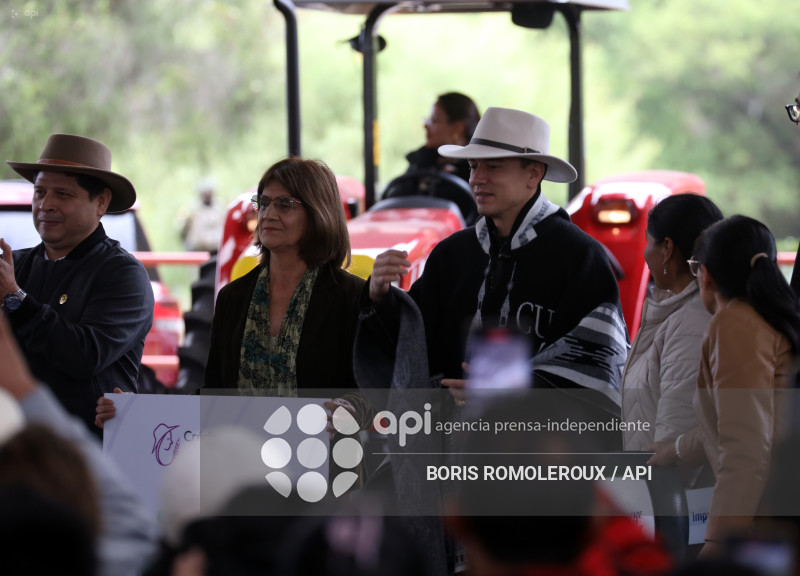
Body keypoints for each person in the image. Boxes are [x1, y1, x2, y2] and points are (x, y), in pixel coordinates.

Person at [366, 107, 628, 424]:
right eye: (473, 166)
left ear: (534, 173)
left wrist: (511, 391)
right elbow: (409, 341)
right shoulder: (451, 254)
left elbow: (598, 371)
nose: (477, 178)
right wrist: (379, 296)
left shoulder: (582, 259)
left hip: (538, 455)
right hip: (451, 453)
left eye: (493, 166)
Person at [650, 215, 800, 558]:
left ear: (706, 275)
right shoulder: (774, 318)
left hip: (770, 517)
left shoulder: (735, 323)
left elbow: (745, 447)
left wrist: (719, 541)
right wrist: (675, 450)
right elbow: (737, 420)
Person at [1, 133, 154, 434]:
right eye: (40, 192)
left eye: (63, 194)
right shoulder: (14, 266)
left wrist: (16, 299)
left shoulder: (123, 273)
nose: (46, 205)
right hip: (17, 446)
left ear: (101, 202)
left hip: (89, 453)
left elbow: (84, 355)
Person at [621, 194, 723, 454]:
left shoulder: (690, 324)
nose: (645, 254)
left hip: (667, 492)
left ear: (666, 249)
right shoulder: (680, 313)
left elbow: (672, 446)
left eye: (647, 242)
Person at [405, 92, 481, 186]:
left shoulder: (476, 171)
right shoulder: (420, 161)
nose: (425, 125)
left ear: (457, 128)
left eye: (434, 120)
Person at [178, 178, 224, 253]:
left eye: (209, 193)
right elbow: (183, 229)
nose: (208, 195)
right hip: (197, 250)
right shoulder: (193, 209)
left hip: (216, 250)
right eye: (205, 193)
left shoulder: (219, 208)